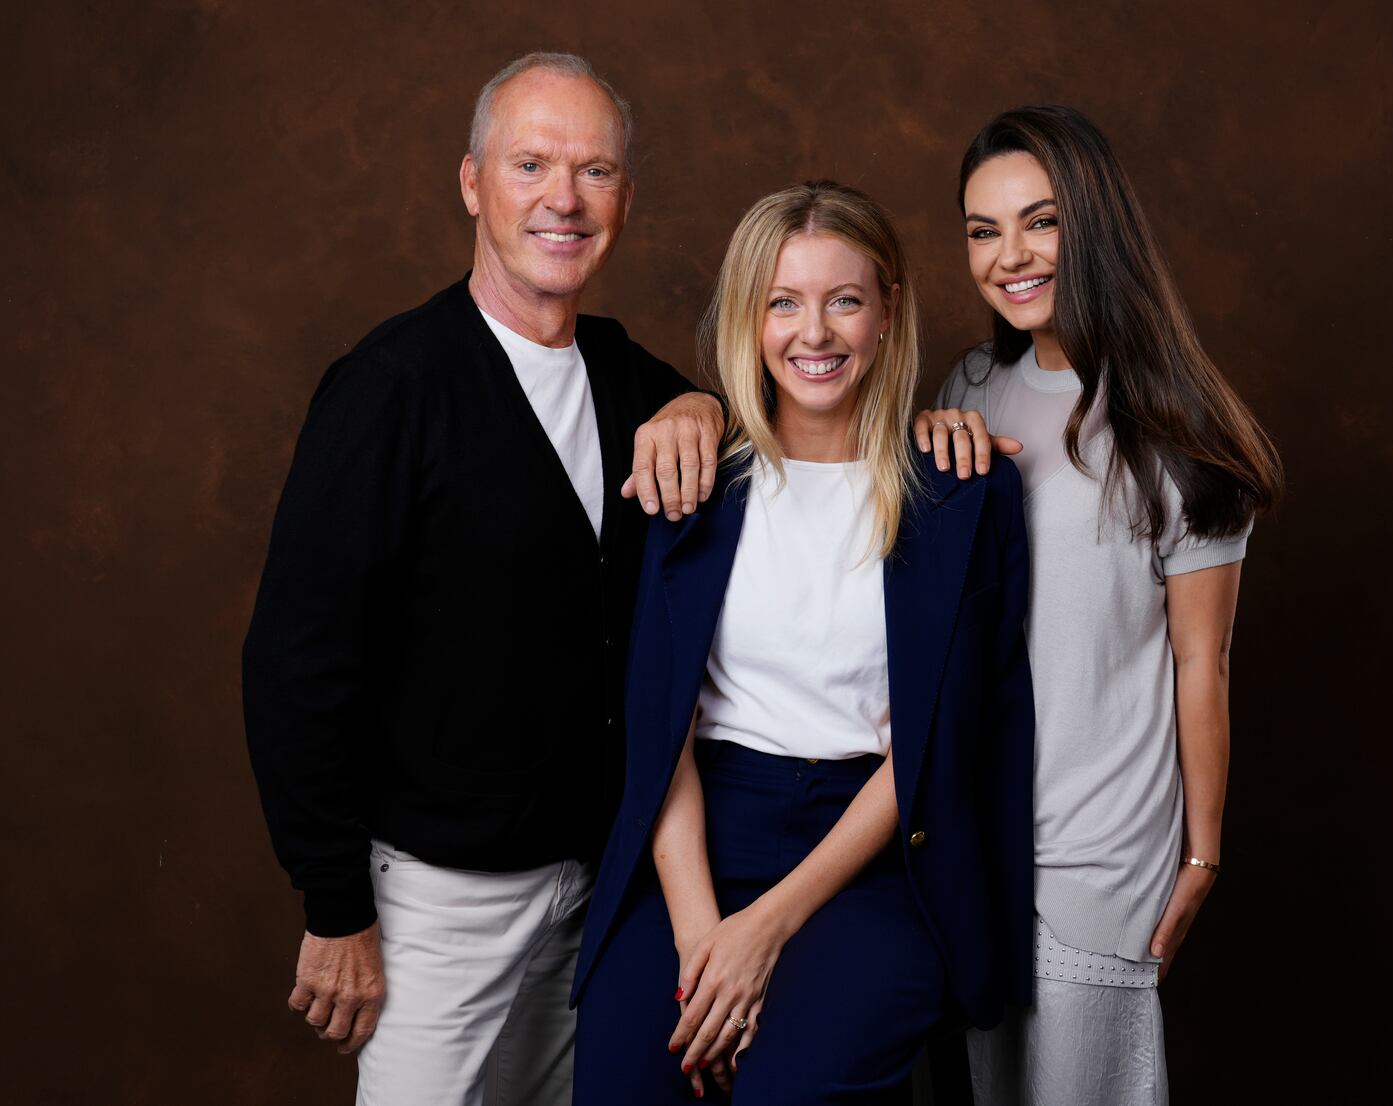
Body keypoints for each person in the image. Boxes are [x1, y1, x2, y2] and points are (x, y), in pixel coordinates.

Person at [241, 52, 725, 1106]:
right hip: (435, 900)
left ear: (625, 201)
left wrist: (704, 407)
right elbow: (293, 663)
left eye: (594, 171)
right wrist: (335, 905)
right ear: (473, 183)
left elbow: (752, 412)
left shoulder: (620, 371)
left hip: (598, 881)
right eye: (532, 163)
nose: (564, 197)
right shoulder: (388, 389)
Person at [568, 181, 1035, 1104]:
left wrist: (763, 931)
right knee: (629, 1079)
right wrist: (704, 935)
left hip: (872, 854)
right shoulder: (689, 485)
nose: (812, 334)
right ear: (750, 316)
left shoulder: (962, 494)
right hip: (697, 835)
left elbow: (934, 747)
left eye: (844, 300)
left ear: (888, 309)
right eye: (783, 302)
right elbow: (661, 736)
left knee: (790, 1086)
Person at [915, 105, 1285, 1104]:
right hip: (973, 846)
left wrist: (1200, 852)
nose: (1010, 255)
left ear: (1093, 224)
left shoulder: (1174, 424)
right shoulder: (969, 388)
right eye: (982, 230)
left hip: (1100, 854)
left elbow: (1199, 661)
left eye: (1038, 221)